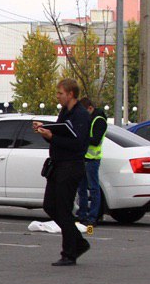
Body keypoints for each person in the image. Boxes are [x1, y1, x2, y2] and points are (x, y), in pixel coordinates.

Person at [33, 78, 93, 265]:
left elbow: (78, 144)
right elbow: (59, 136)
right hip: (57, 165)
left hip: (71, 166)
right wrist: (46, 133)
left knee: (63, 209)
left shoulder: (81, 115)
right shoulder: (64, 112)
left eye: (60, 93)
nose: (57, 96)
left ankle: (69, 252)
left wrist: (52, 136)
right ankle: (79, 242)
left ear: (71, 94)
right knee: (50, 206)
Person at [75, 96, 107, 233]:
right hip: (83, 158)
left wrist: (81, 137)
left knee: (94, 189)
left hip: (92, 160)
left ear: (90, 108)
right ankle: (82, 215)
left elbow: (95, 140)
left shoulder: (99, 120)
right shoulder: (88, 118)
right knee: (81, 189)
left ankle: (93, 217)